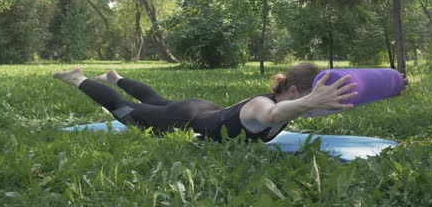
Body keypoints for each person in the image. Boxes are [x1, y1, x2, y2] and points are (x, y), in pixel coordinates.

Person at [53, 63, 358, 143]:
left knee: (155, 99)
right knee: (127, 111)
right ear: (292, 91)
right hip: (185, 121)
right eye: (311, 95)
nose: (314, 103)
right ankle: (77, 79)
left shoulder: (294, 103)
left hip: (202, 109)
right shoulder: (261, 107)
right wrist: (313, 101)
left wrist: (385, 88)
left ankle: (114, 75)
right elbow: (276, 114)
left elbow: (317, 106)